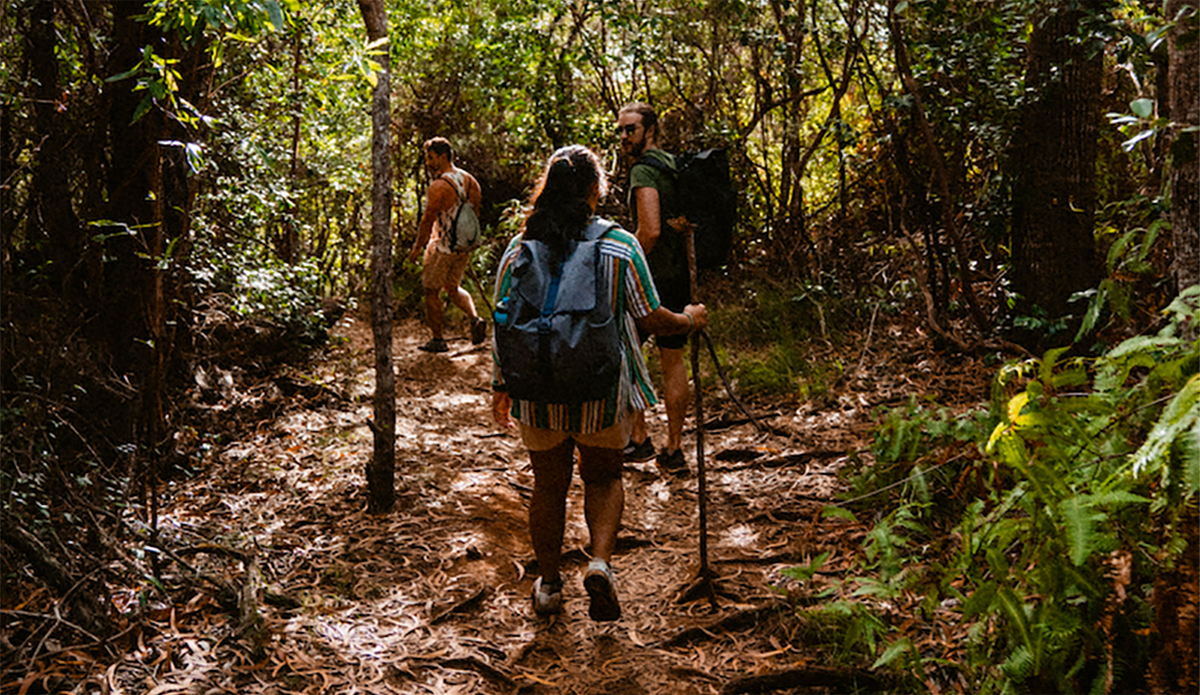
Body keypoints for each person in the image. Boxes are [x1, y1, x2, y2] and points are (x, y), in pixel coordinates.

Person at [491, 145, 707, 620]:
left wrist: (499, 384)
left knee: (548, 486)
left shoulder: (519, 247)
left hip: (538, 391)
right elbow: (652, 318)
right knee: (604, 476)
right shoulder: (619, 245)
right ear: (596, 190)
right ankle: (601, 564)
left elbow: (501, 321)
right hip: (601, 390)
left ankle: (548, 586)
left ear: (547, 188)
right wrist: (690, 320)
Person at [616, 102, 692, 476]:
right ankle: (674, 448)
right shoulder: (673, 165)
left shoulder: (645, 170)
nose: (624, 137)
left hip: (652, 277)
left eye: (630, 129)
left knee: (626, 350)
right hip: (680, 275)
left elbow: (650, 230)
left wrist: (625, 266)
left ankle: (640, 439)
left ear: (649, 131)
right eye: (621, 130)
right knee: (672, 359)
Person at [408, 137, 487, 353]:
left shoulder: (439, 186)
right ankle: (475, 319)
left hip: (442, 247)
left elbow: (428, 219)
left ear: (443, 157)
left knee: (431, 290)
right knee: (452, 287)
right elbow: (475, 215)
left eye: (431, 158)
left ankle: (438, 339)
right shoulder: (472, 182)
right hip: (463, 246)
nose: (428, 162)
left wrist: (417, 247)